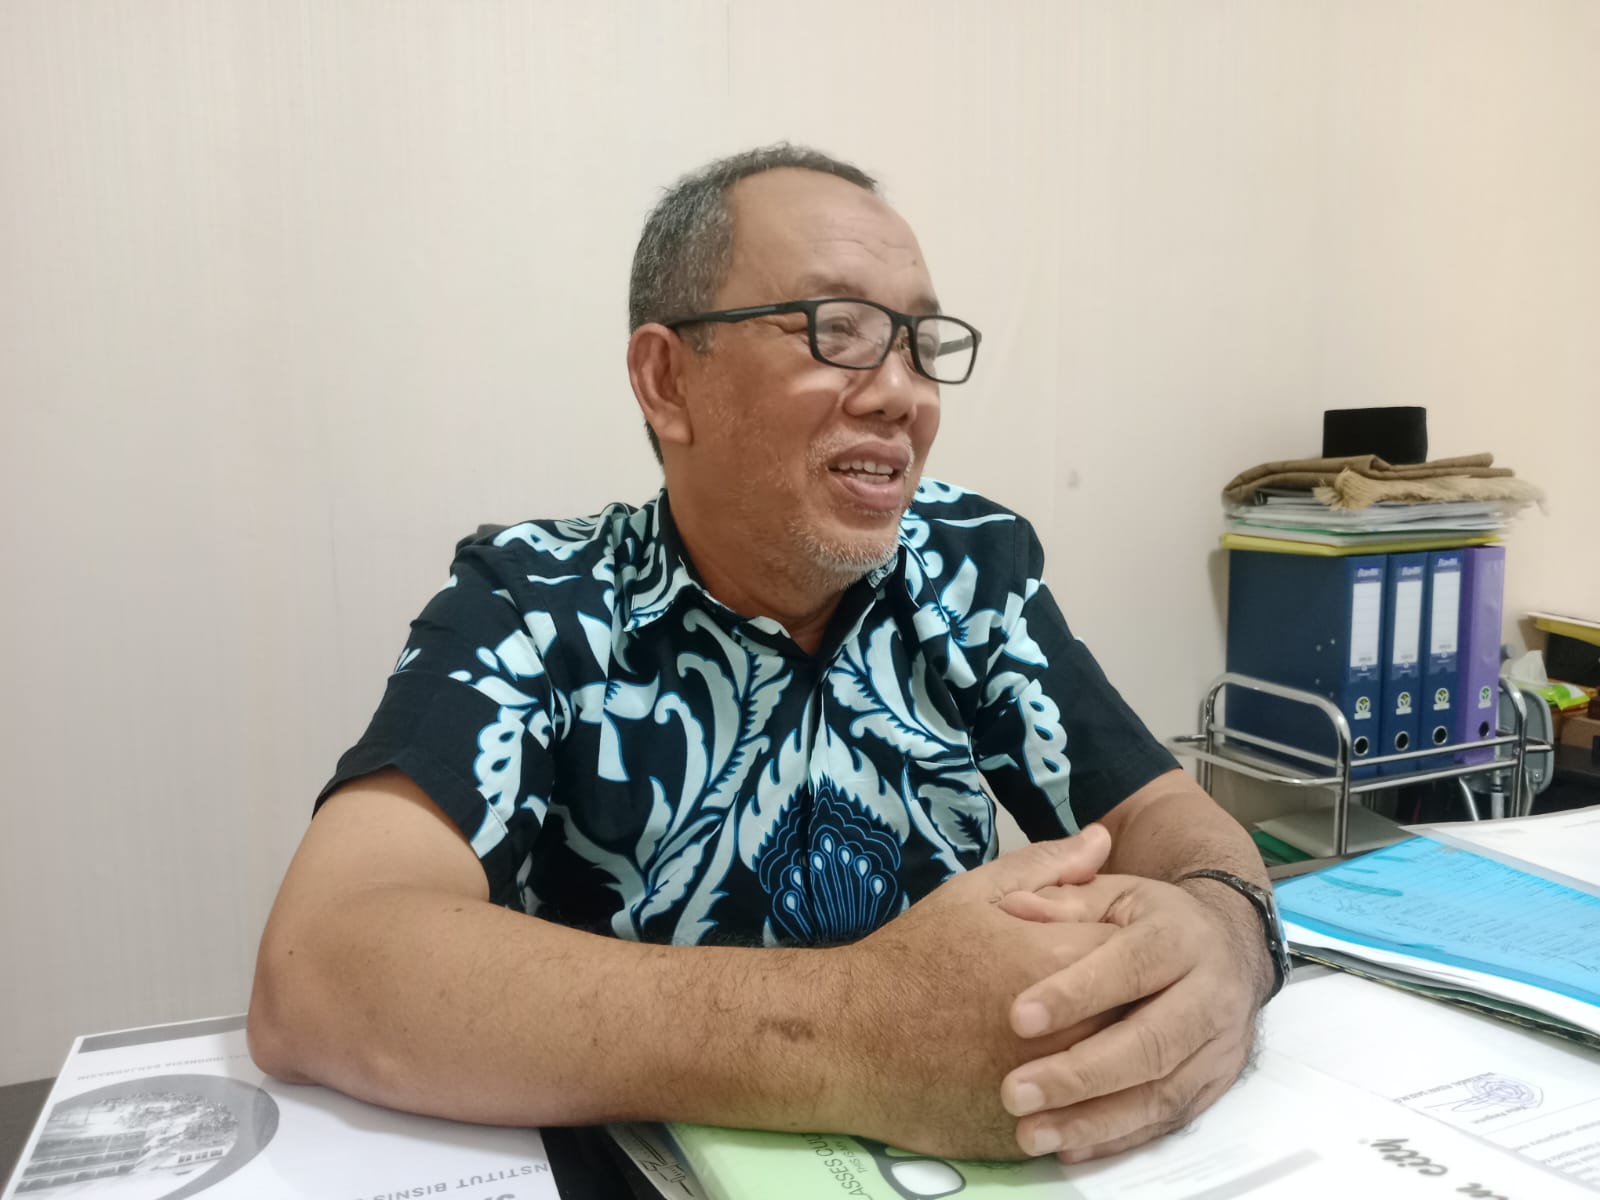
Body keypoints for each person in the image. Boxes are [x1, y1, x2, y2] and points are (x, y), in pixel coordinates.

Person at [248, 144, 1282, 1163]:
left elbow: (1157, 815)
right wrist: (861, 1032)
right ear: (667, 380)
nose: (903, 394)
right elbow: (324, 963)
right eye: (839, 331)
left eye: (921, 343)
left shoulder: (970, 568)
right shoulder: (535, 602)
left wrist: (1227, 944)